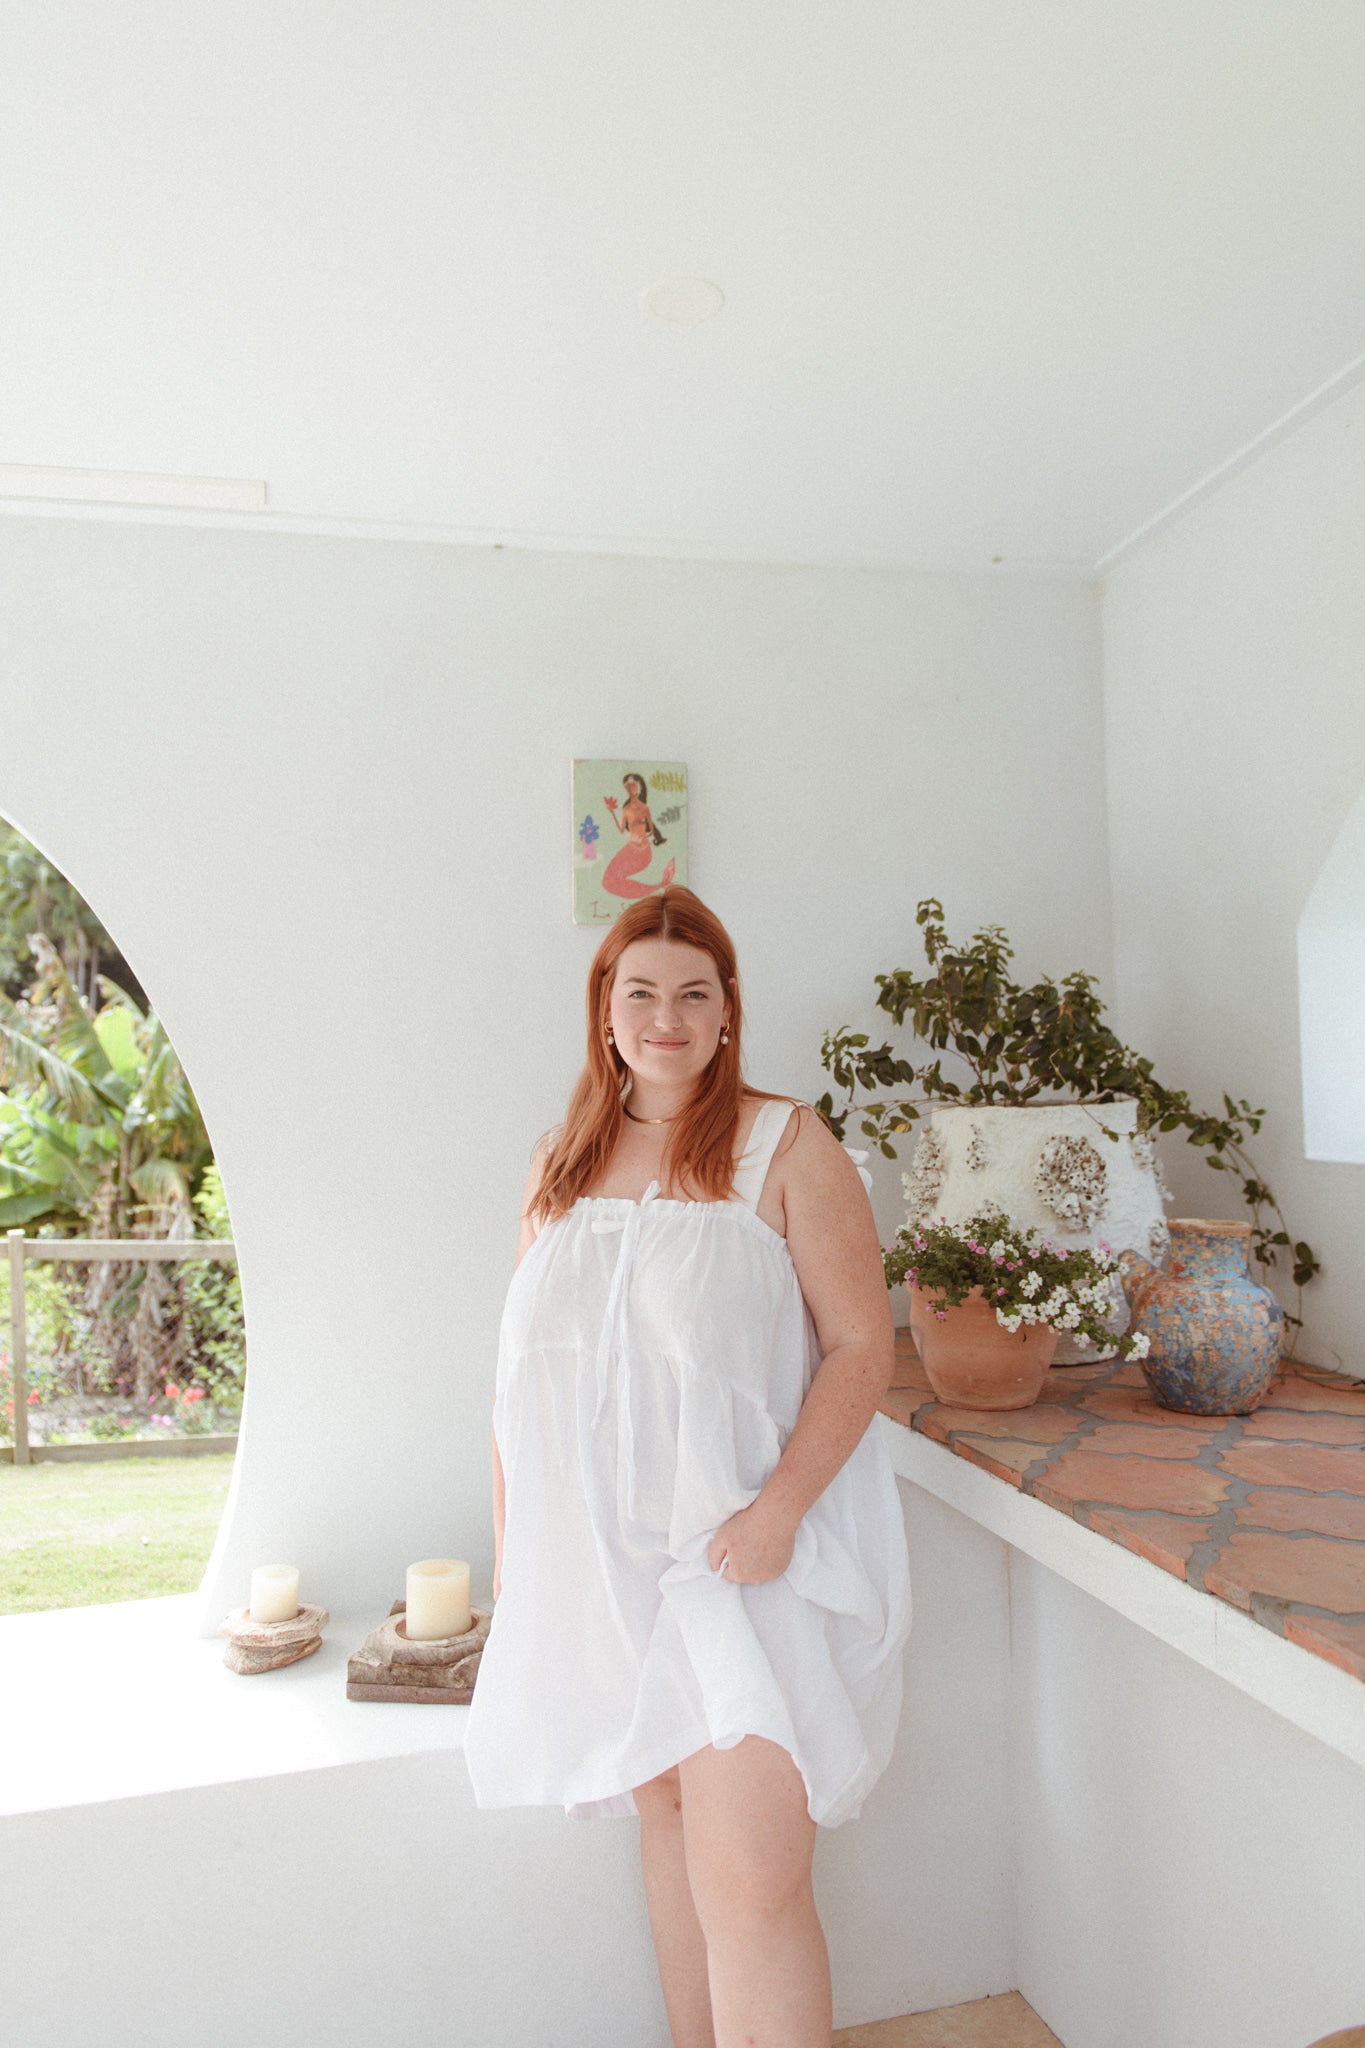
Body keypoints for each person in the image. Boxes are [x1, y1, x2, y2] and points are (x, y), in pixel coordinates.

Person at [463, 886, 913, 2048]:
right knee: (666, 1831)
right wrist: (518, 1565)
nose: (665, 1017)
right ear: (605, 1010)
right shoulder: (559, 1165)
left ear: (727, 1011)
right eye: (641, 992)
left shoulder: (785, 1144)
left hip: (733, 1563)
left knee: (753, 1886)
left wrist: (780, 1510)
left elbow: (863, 1347)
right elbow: (518, 1386)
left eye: (693, 993)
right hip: (601, 1577)